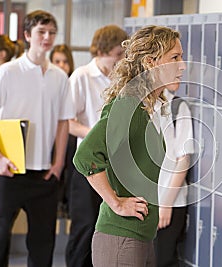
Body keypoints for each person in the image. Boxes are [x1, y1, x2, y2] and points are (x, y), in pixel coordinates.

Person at [73, 25, 185, 266]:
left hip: (141, 235)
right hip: (121, 237)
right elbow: (85, 155)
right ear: (151, 62)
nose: (182, 65)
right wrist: (116, 202)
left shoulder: (147, 108)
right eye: (175, 57)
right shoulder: (127, 106)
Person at [0, 10, 74, 267]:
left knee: (43, 244)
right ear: (27, 35)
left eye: (51, 33)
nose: (47, 38)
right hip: (8, 172)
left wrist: (58, 164)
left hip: (44, 176)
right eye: (41, 32)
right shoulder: (8, 72)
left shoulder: (59, 77)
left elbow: (63, 121)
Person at [65, 25, 128, 267]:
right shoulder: (81, 76)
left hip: (114, 165)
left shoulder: (120, 79)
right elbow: (69, 123)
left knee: (105, 228)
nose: (120, 60)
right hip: (88, 164)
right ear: (102, 50)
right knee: (84, 225)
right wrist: (98, 135)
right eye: (117, 54)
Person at [153, 88, 194, 267]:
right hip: (143, 201)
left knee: (163, 259)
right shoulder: (136, 104)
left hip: (170, 202)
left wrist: (165, 204)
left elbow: (184, 160)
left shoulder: (177, 106)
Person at [50, 44, 76, 219]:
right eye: (57, 61)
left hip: (71, 135)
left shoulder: (74, 83)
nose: (61, 65)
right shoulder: (47, 84)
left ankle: (67, 202)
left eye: (65, 62)